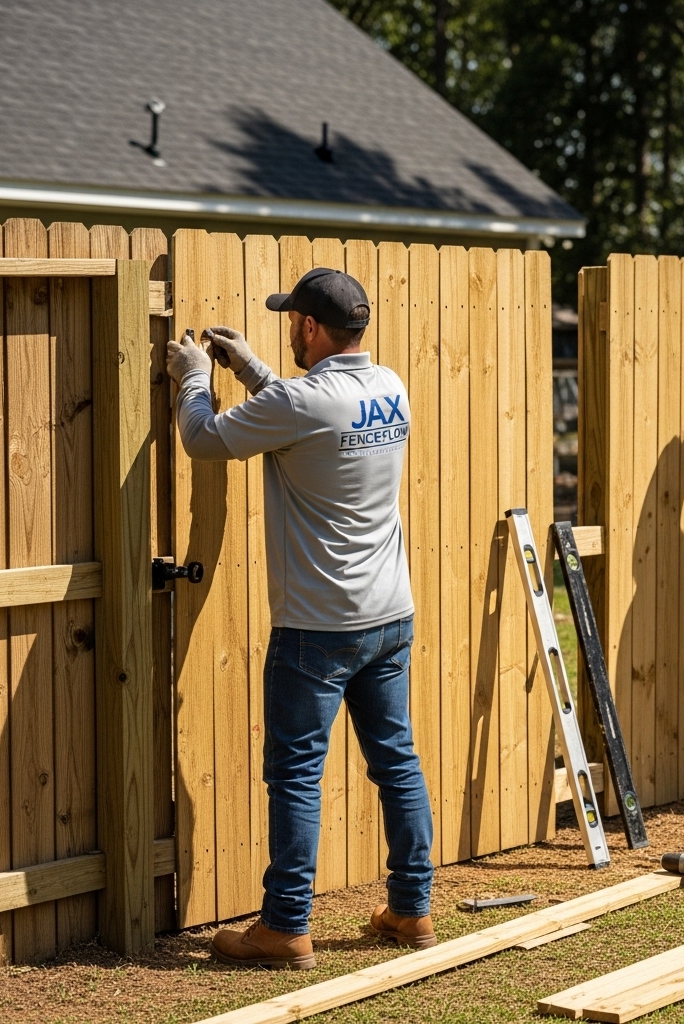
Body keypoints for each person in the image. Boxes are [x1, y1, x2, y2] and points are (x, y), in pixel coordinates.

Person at [165, 268, 435, 969]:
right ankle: (411, 908)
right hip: (390, 614)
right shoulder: (390, 388)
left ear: (311, 329)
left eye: (293, 320)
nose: (289, 328)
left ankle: (285, 926)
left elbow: (204, 439)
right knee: (397, 763)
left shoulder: (301, 400)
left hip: (317, 627)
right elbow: (307, 415)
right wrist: (252, 365)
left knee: (294, 776)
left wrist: (196, 376)